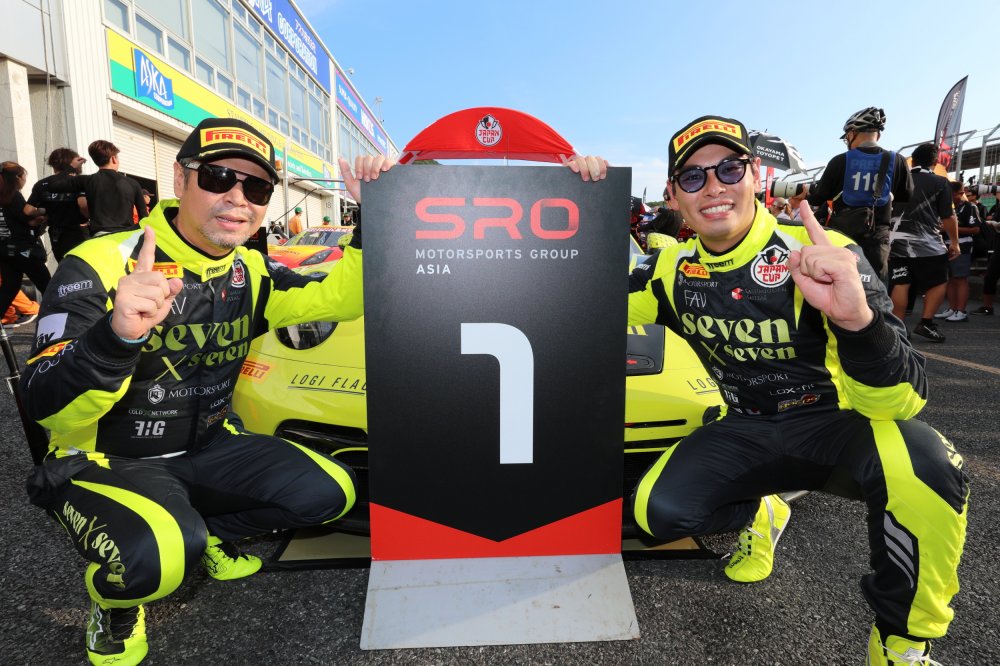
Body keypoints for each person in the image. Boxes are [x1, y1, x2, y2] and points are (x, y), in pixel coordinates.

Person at [20, 116, 391, 665]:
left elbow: (342, 297)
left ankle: (208, 530)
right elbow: (43, 402)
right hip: (104, 460)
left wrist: (375, 216)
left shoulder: (252, 270)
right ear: (180, 179)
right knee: (160, 555)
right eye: (218, 177)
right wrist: (114, 337)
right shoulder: (99, 262)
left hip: (210, 445)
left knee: (332, 492)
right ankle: (115, 603)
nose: (238, 198)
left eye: (257, 187)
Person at [619, 115, 967, 665]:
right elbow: (579, 307)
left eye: (728, 169)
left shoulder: (823, 249)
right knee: (655, 512)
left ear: (754, 175)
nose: (713, 187)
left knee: (926, 463)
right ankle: (761, 512)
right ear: (673, 195)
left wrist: (857, 323)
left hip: (839, 426)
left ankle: (901, 644)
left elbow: (902, 402)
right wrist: (583, 200)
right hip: (745, 425)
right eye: (692, 177)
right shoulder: (668, 269)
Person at [806, 107, 913, 283]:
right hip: (878, 234)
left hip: (843, 233)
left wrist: (807, 192)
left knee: (841, 280)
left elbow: (818, 197)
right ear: (878, 135)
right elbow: (906, 194)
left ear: (852, 133)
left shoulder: (840, 161)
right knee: (876, 284)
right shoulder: (897, 160)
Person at [888, 143, 959, 342]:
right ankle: (926, 323)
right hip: (927, 244)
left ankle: (898, 328)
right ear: (934, 163)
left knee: (901, 283)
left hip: (896, 243)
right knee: (939, 281)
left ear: (913, 161)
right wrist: (954, 242)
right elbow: (948, 216)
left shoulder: (896, 182)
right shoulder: (940, 182)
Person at [38, 139, 148, 235]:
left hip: (100, 237)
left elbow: (52, 185)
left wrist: (71, 168)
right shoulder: (133, 183)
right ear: (113, 159)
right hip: (125, 236)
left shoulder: (87, 181)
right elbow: (144, 217)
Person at [0, 161, 51, 319]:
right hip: (22, 249)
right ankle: (57, 321)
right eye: (24, 176)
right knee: (48, 286)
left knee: (10, 287)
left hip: (4, 250)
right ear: (17, 177)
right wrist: (42, 215)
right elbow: (27, 220)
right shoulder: (13, 195)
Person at [27, 147, 90, 260]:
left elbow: (28, 211)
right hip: (77, 233)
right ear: (73, 163)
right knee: (82, 266)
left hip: (55, 235)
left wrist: (43, 213)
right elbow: (83, 205)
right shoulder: (77, 181)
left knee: (64, 265)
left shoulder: (42, 184)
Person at [934, 181, 981, 322]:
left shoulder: (969, 207)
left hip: (963, 245)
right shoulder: (946, 206)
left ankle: (961, 311)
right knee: (950, 278)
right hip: (945, 245)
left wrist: (949, 228)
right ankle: (953, 308)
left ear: (961, 193)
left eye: (951, 194)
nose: (948, 197)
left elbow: (975, 229)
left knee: (960, 279)